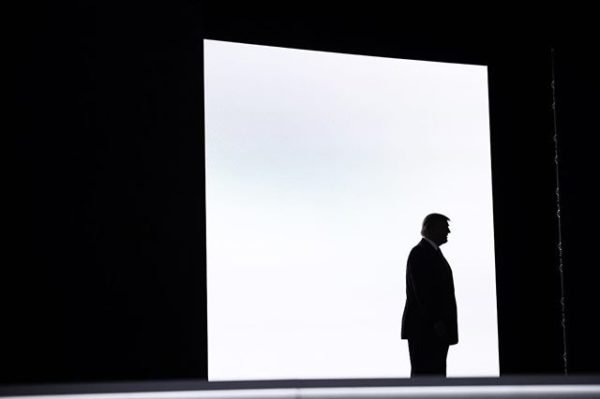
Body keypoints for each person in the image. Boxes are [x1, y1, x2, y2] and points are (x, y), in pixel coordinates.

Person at [401, 213, 458, 376]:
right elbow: (422, 292)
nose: (448, 231)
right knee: (426, 376)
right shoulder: (420, 253)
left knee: (434, 375)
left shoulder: (431, 254)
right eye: (444, 227)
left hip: (434, 329)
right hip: (426, 330)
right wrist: (436, 321)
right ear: (431, 228)